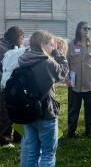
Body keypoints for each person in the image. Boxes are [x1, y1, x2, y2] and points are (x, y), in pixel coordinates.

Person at [19, 31, 69, 167]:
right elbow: (64, 71)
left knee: (32, 151)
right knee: (47, 153)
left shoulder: (23, 59)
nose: (52, 48)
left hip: (28, 111)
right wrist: (57, 53)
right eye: (51, 45)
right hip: (45, 112)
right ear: (43, 44)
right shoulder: (46, 62)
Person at [67, 21, 91, 138]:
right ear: (79, 30)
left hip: (90, 83)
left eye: (89, 29)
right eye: (84, 28)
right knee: (73, 109)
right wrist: (67, 78)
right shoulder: (71, 45)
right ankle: (71, 131)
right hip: (74, 83)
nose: (87, 31)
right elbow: (66, 64)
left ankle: (89, 130)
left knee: (90, 109)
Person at [0, 26, 24, 147]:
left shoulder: (12, 46)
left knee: (16, 110)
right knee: (5, 112)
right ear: (16, 37)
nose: (22, 41)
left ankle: (18, 137)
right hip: (4, 85)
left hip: (13, 85)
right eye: (21, 38)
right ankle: (5, 140)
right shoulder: (2, 48)